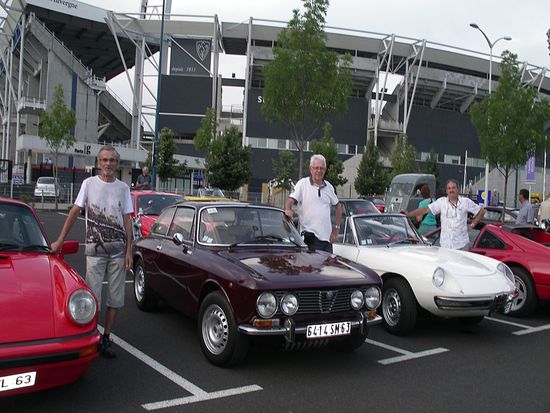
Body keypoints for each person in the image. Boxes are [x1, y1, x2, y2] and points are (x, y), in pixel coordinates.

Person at [51, 145, 133, 358]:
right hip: (95, 250)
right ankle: (90, 336)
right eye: (104, 160)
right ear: (98, 163)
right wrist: (60, 239)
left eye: (112, 160)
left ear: (117, 164)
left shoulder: (124, 188)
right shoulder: (88, 184)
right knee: (92, 297)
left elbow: (127, 221)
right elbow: (75, 211)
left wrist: (129, 251)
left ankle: (106, 337)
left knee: (115, 298)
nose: (108, 164)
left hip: (117, 251)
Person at [404, 179, 485, 250]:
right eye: (449, 188)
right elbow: (426, 209)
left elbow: (481, 211)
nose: (451, 190)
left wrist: (472, 225)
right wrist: (409, 214)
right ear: (446, 191)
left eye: (453, 188)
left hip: (462, 245)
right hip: (445, 247)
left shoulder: (466, 202)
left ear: (458, 189)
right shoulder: (441, 202)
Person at [284, 154, 342, 253]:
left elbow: (338, 206)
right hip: (310, 240)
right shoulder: (302, 184)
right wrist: (288, 209)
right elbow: (290, 201)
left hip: (327, 241)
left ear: (325, 170)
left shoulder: (329, 187)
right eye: (316, 168)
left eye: (322, 168)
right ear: (311, 169)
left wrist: (336, 229)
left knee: (327, 268)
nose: (319, 171)